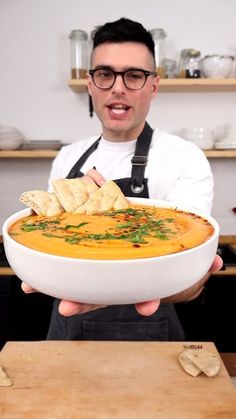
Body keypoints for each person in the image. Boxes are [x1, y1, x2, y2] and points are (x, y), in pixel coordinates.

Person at [22, 17, 222, 340]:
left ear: (153, 86)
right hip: (68, 331)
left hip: (153, 336)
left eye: (133, 76)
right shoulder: (68, 159)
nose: (117, 87)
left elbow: (191, 279)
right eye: (105, 74)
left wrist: (120, 285)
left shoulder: (185, 158)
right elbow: (52, 251)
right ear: (90, 84)